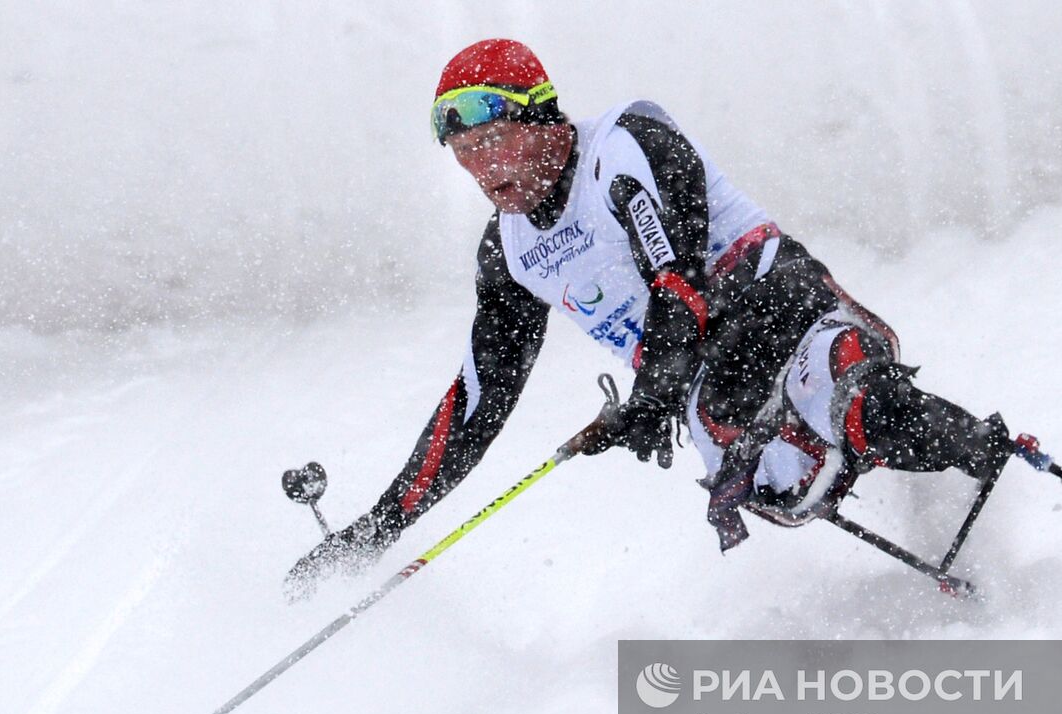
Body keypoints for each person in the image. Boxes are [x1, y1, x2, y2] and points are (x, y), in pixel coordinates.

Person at [287, 38, 1009, 595]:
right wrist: (374, 530)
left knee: (838, 396)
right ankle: (914, 487)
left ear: (541, 118)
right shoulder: (509, 251)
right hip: (704, 380)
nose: (481, 167)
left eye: (493, 140)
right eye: (464, 152)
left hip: (773, 304)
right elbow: (478, 399)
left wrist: (656, 390)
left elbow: (677, 275)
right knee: (777, 479)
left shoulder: (623, 146)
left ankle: (986, 451)